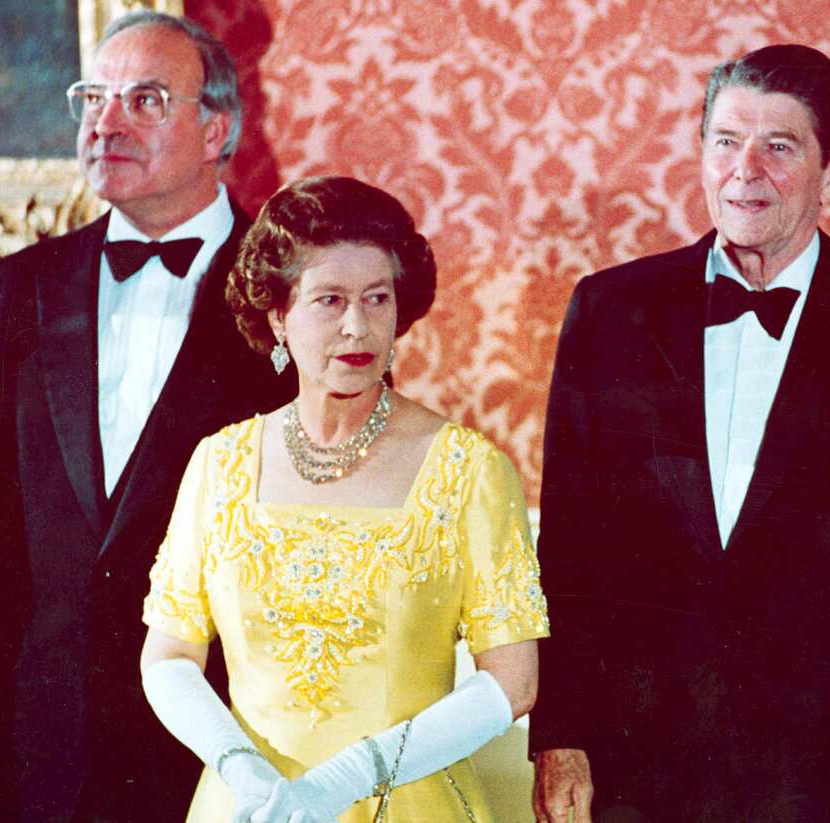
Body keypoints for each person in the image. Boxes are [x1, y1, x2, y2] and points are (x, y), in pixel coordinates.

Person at [530, 44, 830, 822]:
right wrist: (559, 735)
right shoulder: (610, 312)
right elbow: (567, 550)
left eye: (780, 146)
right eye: (726, 141)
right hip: (636, 763)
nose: (747, 169)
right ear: (701, 154)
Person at [0, 11, 294, 822]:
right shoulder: (14, 291)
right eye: (92, 98)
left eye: (144, 99)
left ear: (216, 129)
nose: (105, 122)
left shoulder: (294, 295)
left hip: (220, 747)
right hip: (29, 747)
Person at [138, 175, 549, 822]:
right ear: (279, 315)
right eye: (329, 300)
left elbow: (513, 679)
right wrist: (240, 767)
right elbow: (168, 655)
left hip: (408, 805)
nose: (357, 327)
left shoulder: (467, 470)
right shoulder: (219, 465)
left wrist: (351, 777)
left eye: (377, 299)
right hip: (251, 806)